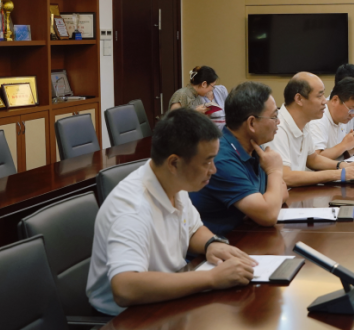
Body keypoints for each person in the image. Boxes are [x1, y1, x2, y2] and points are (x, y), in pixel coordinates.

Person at [87, 108, 257, 316]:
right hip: (126, 319)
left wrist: (211, 244)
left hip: (167, 298)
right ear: (174, 163)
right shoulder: (131, 209)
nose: (213, 169)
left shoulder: (173, 182)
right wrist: (211, 278)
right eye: (207, 161)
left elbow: (192, 229)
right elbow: (125, 288)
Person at [189, 81, 289, 236]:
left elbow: (282, 192)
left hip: (241, 236)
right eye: (274, 116)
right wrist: (274, 171)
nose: (278, 122)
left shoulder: (254, 146)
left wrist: (263, 204)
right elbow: (269, 215)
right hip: (212, 246)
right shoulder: (221, 159)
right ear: (251, 123)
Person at [269, 72, 354, 187]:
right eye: (319, 96)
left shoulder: (304, 122)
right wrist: (339, 174)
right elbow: (285, 176)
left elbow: (312, 159)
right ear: (299, 99)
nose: (324, 101)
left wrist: (343, 166)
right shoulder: (277, 128)